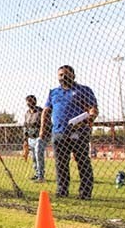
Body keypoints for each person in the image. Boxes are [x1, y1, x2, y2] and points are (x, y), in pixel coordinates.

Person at [40, 65, 98, 199]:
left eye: (66, 74)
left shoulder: (84, 90)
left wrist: (88, 119)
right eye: (60, 74)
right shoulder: (53, 92)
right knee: (61, 164)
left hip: (79, 133)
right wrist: (43, 129)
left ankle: (85, 193)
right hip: (59, 133)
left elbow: (93, 109)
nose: (63, 77)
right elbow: (46, 111)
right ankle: (62, 191)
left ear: (74, 75)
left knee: (83, 162)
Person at [23, 95, 46, 182]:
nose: (29, 103)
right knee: (34, 157)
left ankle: (41, 176)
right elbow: (25, 126)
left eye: (31, 101)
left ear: (35, 101)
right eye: (28, 101)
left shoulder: (40, 112)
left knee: (38, 154)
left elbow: (46, 124)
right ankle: (37, 174)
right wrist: (25, 139)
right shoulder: (27, 113)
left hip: (39, 137)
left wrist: (42, 133)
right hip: (30, 137)